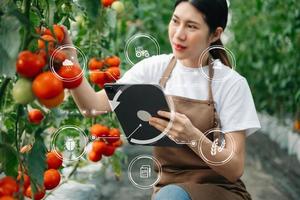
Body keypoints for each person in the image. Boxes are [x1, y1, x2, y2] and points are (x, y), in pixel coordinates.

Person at [62, 0, 261, 199]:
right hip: (169, 189)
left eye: (191, 26)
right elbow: (92, 107)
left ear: (215, 34)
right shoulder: (154, 69)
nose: (178, 34)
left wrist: (192, 136)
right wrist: (70, 60)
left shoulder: (230, 83)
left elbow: (235, 168)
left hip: (220, 190)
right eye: (175, 21)